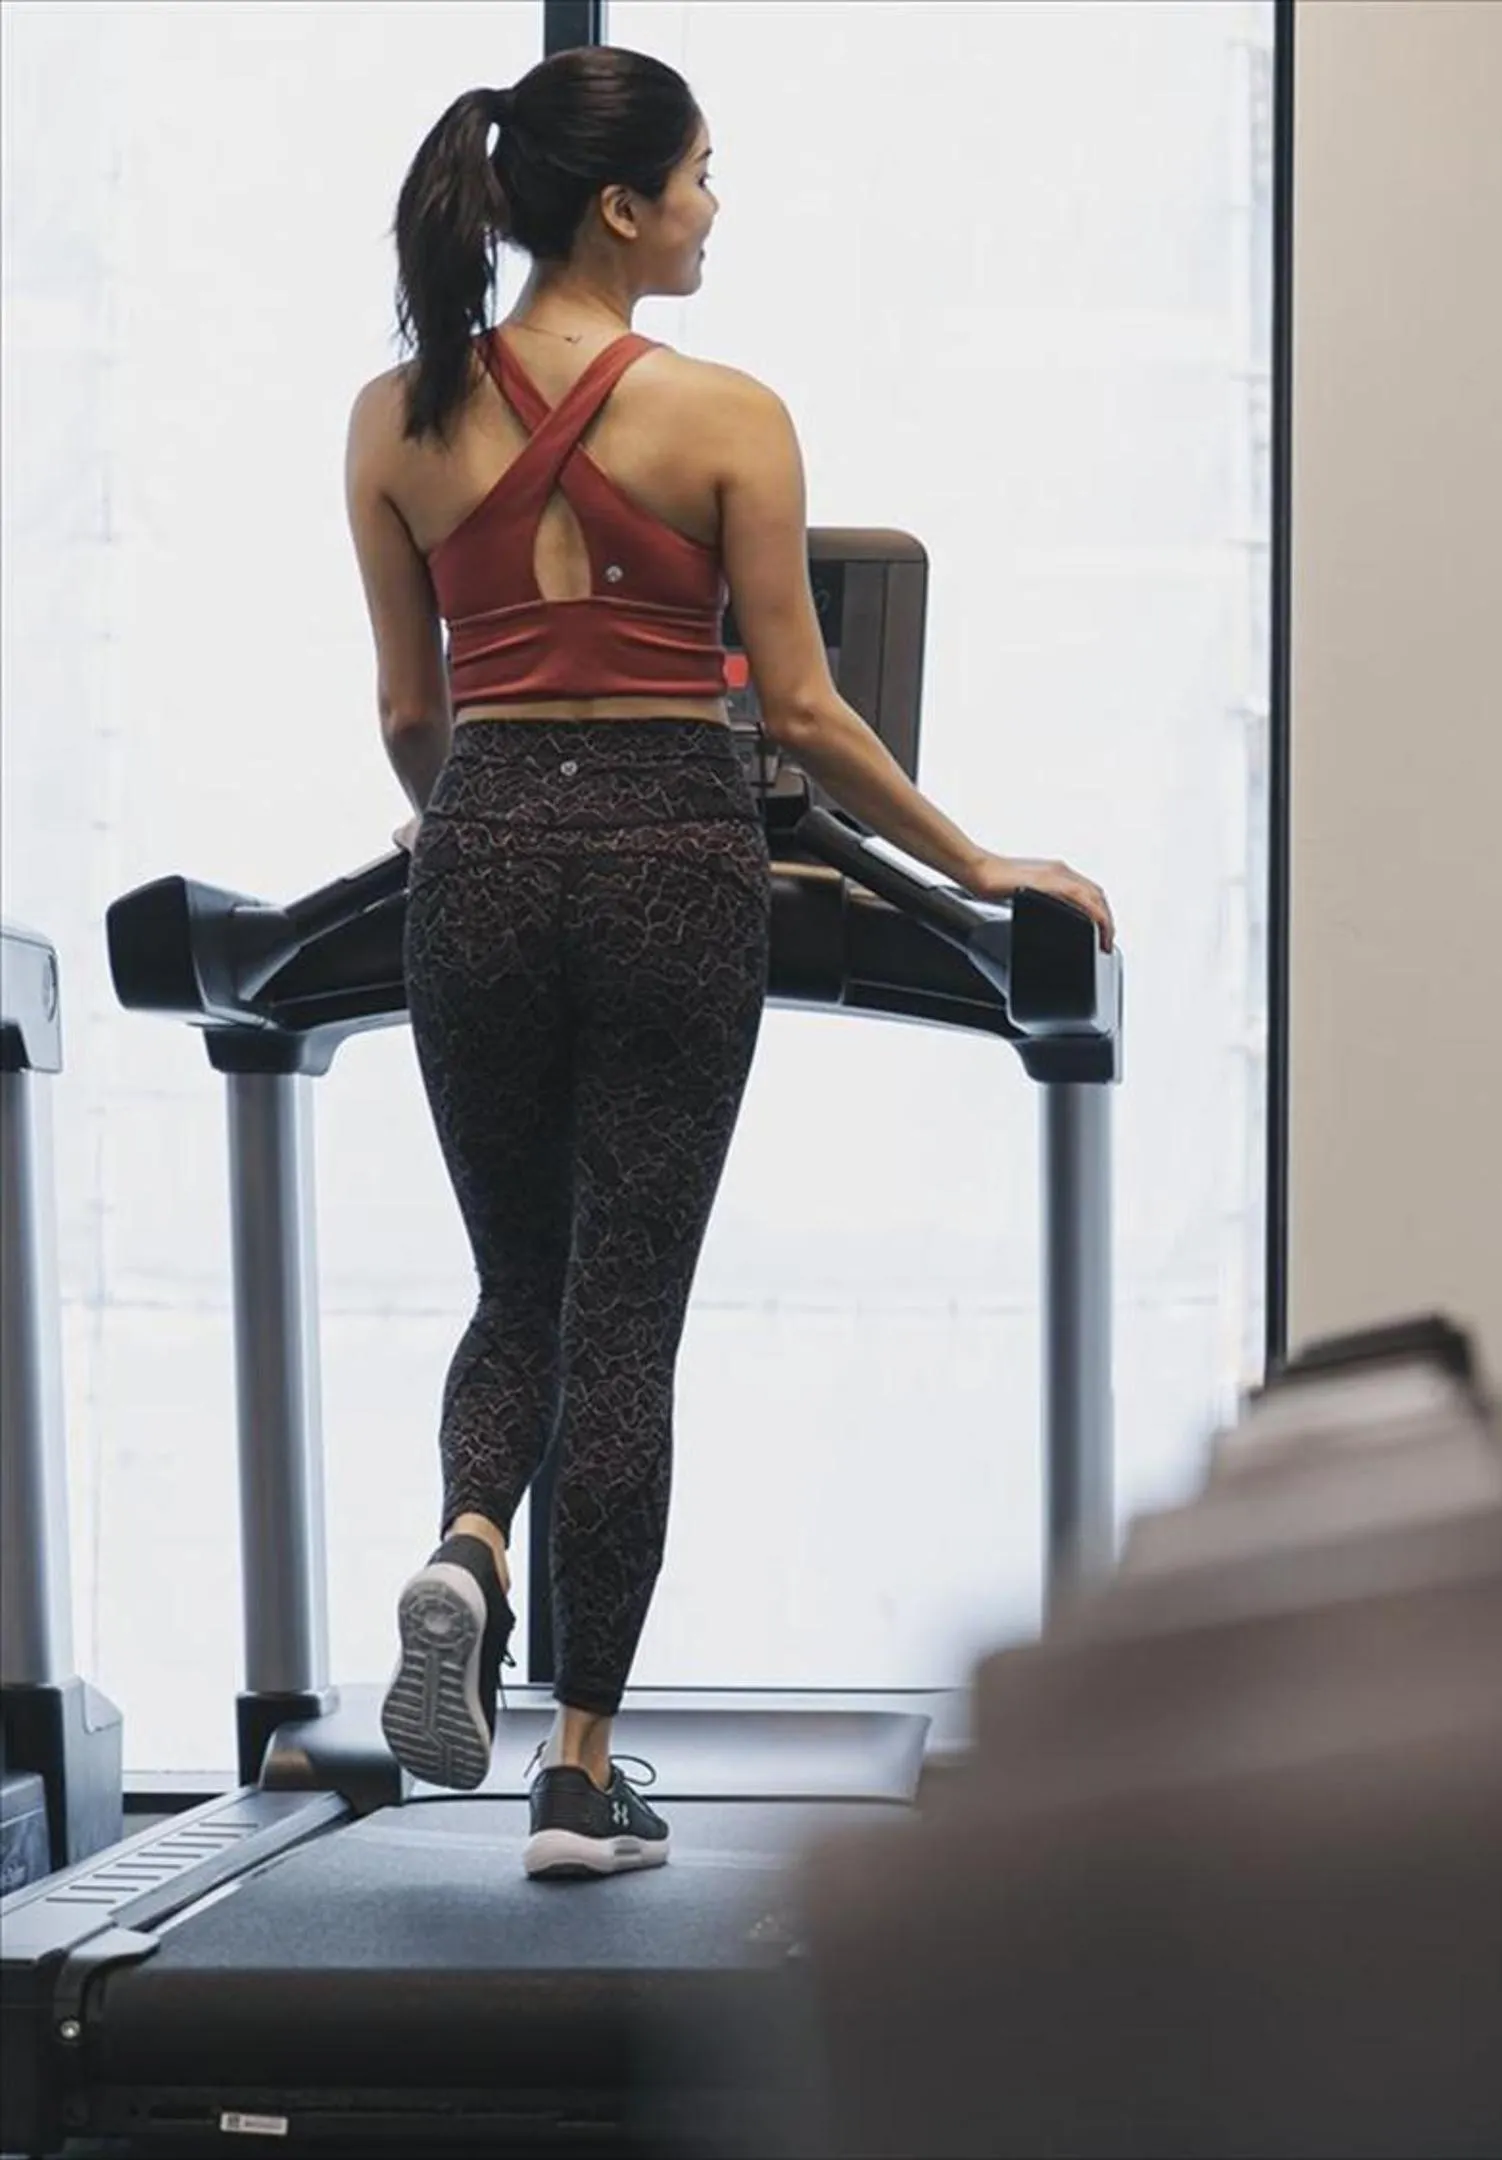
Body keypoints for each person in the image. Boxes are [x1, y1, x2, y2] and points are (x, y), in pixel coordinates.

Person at [348, 44, 1115, 1881]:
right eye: (699, 176)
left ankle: (471, 1542)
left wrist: (464, 827)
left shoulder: (394, 418)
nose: (712, 207)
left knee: (517, 1280)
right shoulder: (729, 418)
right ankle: (580, 1774)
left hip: (483, 855)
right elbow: (807, 715)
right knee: (628, 1316)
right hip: (675, 860)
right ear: (620, 204)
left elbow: (408, 711)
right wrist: (983, 855)